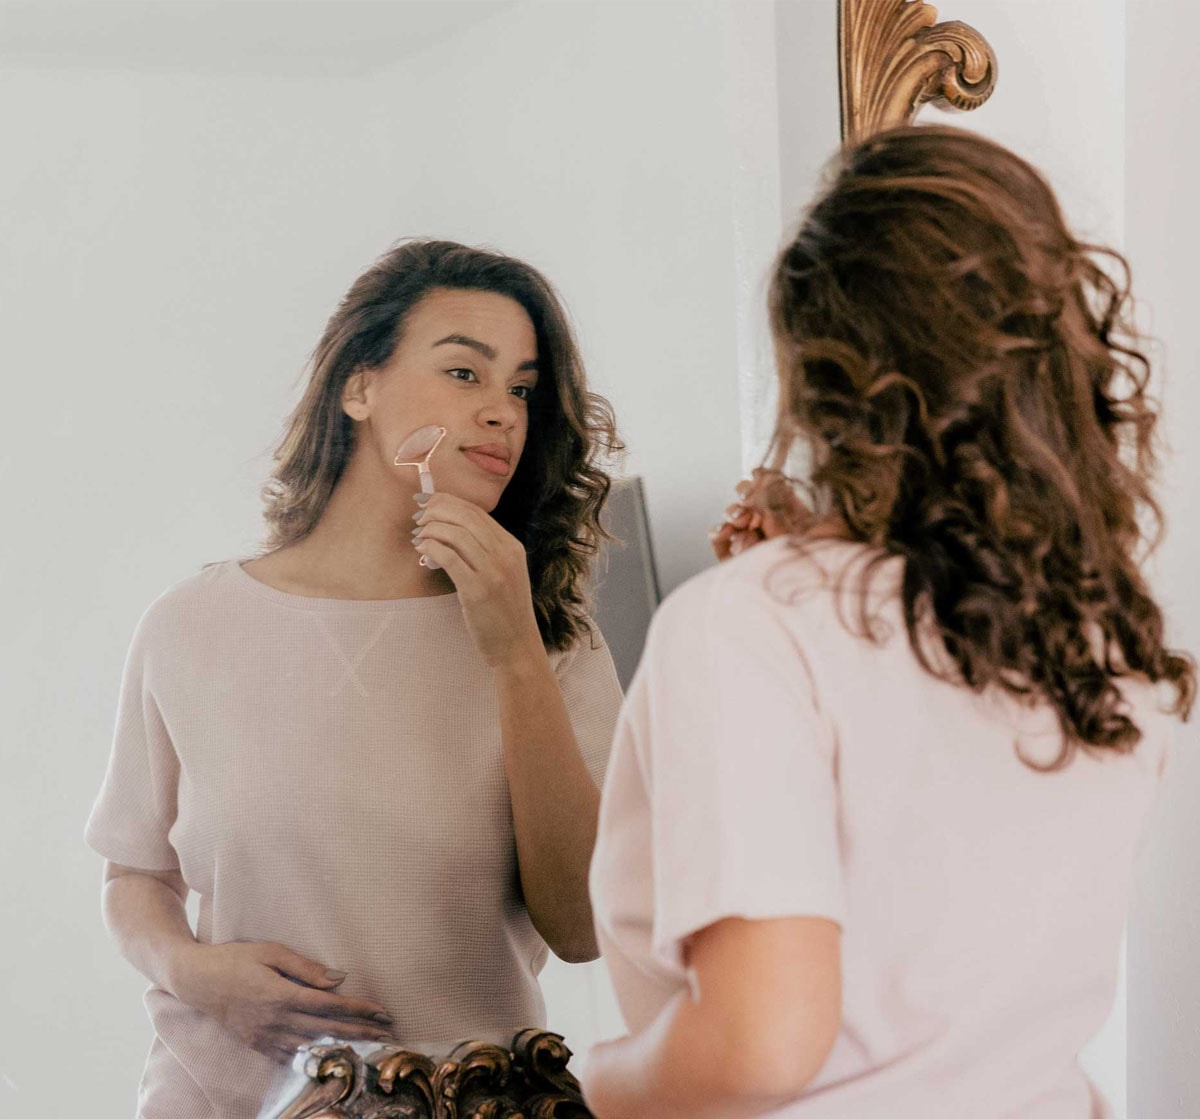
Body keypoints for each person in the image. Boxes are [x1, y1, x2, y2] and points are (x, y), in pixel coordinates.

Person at [582, 126, 1195, 1119]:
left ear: (818, 382)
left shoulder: (748, 629)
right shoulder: (1101, 641)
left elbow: (760, 1044)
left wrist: (595, 1082)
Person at [86, 239, 624, 1119]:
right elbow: (132, 875)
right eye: (465, 372)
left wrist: (514, 653)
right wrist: (194, 971)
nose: (502, 412)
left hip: (477, 1100)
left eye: (522, 390)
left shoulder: (553, 639)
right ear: (359, 386)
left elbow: (585, 927)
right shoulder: (190, 623)